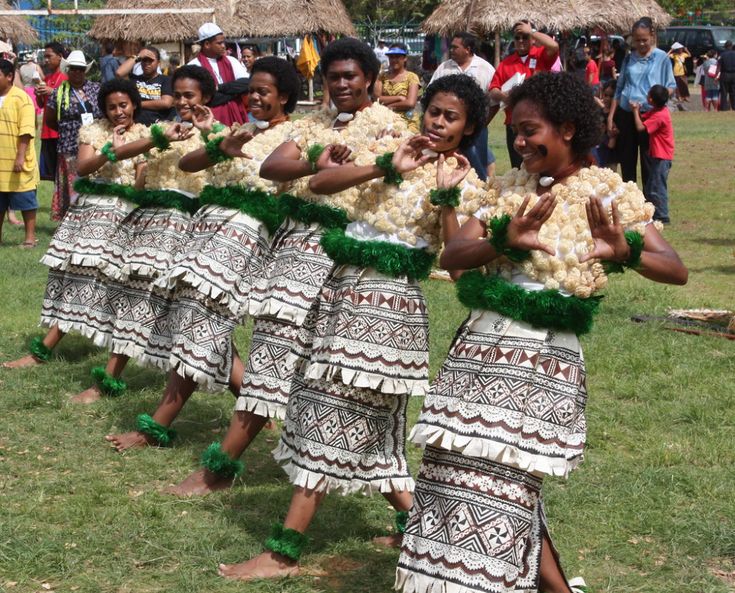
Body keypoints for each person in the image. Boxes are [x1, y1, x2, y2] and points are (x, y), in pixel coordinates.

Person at [396, 71, 688, 593]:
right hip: (478, 350)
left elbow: (676, 269)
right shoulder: (506, 188)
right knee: (451, 473)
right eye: (514, 132)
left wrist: (626, 251)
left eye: (530, 130)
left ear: (570, 129)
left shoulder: (608, 191)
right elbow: (455, 257)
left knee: (507, 484)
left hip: (542, 362)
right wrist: (504, 241)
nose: (520, 142)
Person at [217, 72, 490, 584]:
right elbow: (318, 184)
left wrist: (449, 199)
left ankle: (284, 551)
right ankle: (418, 526)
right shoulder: (389, 143)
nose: (438, 123)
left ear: (469, 127)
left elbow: (456, 264)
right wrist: (384, 165)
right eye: (434, 111)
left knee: (332, 418)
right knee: (371, 436)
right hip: (338, 294)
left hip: (388, 310)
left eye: (451, 118)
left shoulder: (464, 180)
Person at [104, 58, 301, 452]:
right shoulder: (241, 130)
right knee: (197, 323)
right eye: (252, 90)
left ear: (285, 96)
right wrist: (220, 146)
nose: (255, 97)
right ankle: (264, 409)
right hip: (208, 230)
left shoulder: (296, 134)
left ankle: (156, 426)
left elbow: (275, 178)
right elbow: (188, 162)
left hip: (246, 236)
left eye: (265, 91)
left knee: (199, 321)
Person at [67, 66, 211, 405]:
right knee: (138, 299)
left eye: (189, 95)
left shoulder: (218, 132)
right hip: (154, 225)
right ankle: (106, 381)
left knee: (196, 316)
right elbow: (135, 167)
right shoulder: (158, 129)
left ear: (206, 97)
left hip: (189, 228)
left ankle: (249, 404)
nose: (182, 101)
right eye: (177, 95)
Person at [2, 79, 148, 371]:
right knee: (74, 279)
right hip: (91, 215)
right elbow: (81, 168)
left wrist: (138, 172)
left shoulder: (145, 134)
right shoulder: (93, 130)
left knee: (117, 286)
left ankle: (105, 355)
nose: (119, 111)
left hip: (125, 216)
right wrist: (110, 149)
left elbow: (140, 184)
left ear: (134, 104)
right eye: (111, 107)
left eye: (123, 105)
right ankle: (43, 349)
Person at [608, 17, 675, 184]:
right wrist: (611, 117)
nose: (641, 44)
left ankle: (648, 202)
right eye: (637, 40)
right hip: (626, 113)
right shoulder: (629, 58)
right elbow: (619, 88)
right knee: (627, 161)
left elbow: (671, 85)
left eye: (644, 40)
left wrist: (658, 100)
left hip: (649, 115)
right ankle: (629, 202)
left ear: (652, 36)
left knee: (649, 161)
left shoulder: (662, 58)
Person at [489, 20, 559, 169]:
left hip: (539, 120)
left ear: (532, 39)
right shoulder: (506, 63)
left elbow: (553, 46)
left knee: (541, 163)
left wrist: (531, 31)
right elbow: (493, 90)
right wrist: (505, 97)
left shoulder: (540, 55)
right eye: (517, 37)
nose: (521, 41)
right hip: (514, 124)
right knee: (518, 166)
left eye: (525, 37)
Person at [430, 32, 496, 180]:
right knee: (448, 163)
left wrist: (481, 124)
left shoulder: (485, 69)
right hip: (449, 128)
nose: (451, 50)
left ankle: (479, 191)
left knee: (477, 165)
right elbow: (430, 94)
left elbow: (494, 102)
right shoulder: (444, 68)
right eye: (451, 47)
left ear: (468, 49)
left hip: (477, 130)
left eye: (455, 47)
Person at [46, 50, 102, 221]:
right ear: (67, 70)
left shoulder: (95, 89)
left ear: (85, 70)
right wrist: (69, 130)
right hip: (69, 146)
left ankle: (92, 217)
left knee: (94, 182)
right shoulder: (58, 93)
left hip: (94, 145)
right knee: (73, 185)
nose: (77, 72)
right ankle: (72, 220)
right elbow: (50, 120)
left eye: (80, 69)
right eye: (73, 69)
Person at [0, 58, 38, 247]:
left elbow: (27, 130)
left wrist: (20, 156)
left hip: (17, 161)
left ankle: (30, 238)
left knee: (26, 201)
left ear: (9, 77)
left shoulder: (22, 98)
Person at [187, 22, 249, 125]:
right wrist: (235, 92)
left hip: (236, 117)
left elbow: (247, 84)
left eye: (223, 42)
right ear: (207, 44)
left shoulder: (231, 61)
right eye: (219, 43)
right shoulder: (194, 66)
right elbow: (208, 99)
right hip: (209, 121)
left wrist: (219, 88)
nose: (224, 46)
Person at [631, 85, 674, 224]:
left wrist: (634, 111)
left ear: (651, 98)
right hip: (657, 154)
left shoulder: (660, 115)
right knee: (651, 186)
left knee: (657, 187)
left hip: (662, 156)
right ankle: (653, 213)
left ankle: (662, 216)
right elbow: (644, 118)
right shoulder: (658, 110)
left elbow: (640, 127)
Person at [116, 45, 175, 125]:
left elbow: (166, 103)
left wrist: (138, 104)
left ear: (158, 63)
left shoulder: (166, 80)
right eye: (144, 60)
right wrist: (137, 56)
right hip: (136, 126)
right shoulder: (134, 79)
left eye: (150, 60)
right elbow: (119, 73)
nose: (147, 63)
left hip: (158, 125)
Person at [36, 42, 67, 183]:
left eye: (49, 56)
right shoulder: (47, 79)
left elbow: (69, 101)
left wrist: (52, 92)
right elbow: (42, 104)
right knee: (51, 174)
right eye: (45, 56)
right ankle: (58, 203)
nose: (46, 60)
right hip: (47, 133)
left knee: (63, 173)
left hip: (59, 132)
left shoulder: (66, 77)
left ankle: (63, 203)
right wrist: (38, 94)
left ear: (60, 57)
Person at [374, 42, 421, 132]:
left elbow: (410, 103)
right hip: (385, 119)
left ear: (405, 58)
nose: (394, 60)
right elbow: (377, 98)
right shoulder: (382, 77)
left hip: (407, 120)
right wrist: (399, 98)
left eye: (397, 56)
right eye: (391, 57)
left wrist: (389, 106)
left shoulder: (412, 77)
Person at [717, 40, 735, 111]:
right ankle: (734, 107)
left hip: (725, 74)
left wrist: (717, 76)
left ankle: (724, 108)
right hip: (734, 74)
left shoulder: (722, 55)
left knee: (724, 92)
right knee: (733, 92)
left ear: (725, 47)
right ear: (731, 46)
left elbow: (719, 66)